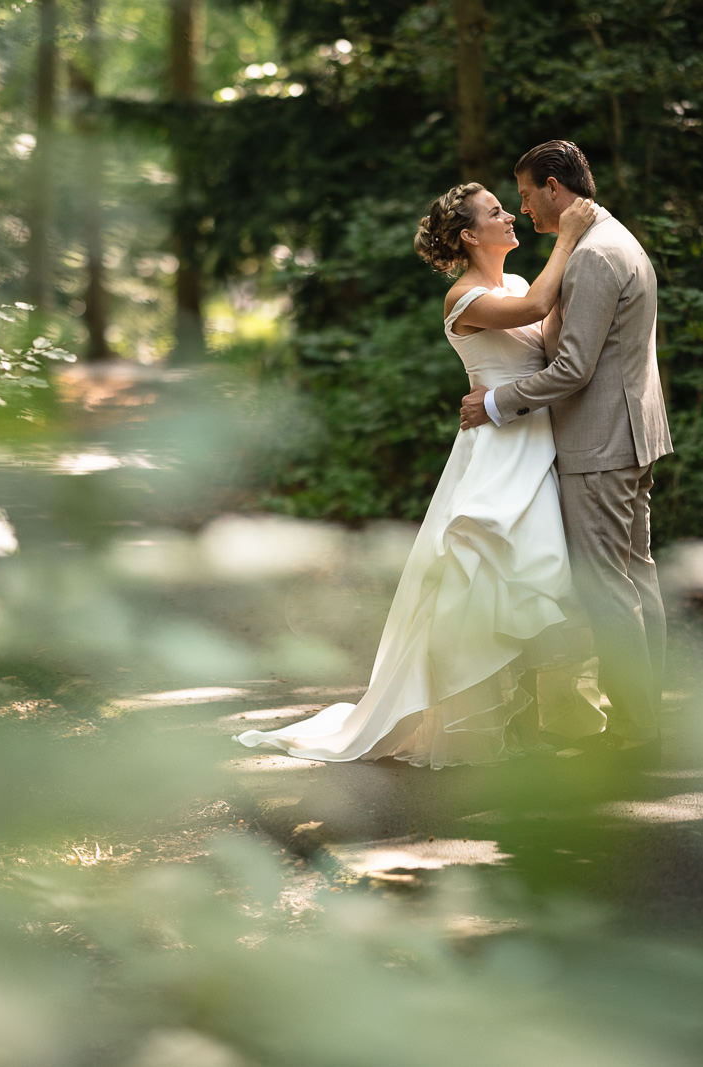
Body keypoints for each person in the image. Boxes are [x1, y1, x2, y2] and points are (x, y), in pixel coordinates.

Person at [234, 179, 607, 768]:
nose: (510, 216)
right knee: (491, 582)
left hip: (542, 448)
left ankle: (546, 720)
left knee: (543, 583)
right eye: (495, 212)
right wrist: (569, 234)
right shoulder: (464, 299)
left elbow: (551, 336)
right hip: (499, 458)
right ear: (469, 235)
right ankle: (490, 723)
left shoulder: (513, 281)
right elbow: (537, 307)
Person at [461, 140, 672, 763]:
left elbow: (575, 368)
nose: (522, 209)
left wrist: (497, 403)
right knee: (637, 576)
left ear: (554, 187)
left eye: (525, 195)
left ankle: (637, 731)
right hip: (630, 433)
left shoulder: (593, 257)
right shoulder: (614, 239)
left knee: (609, 586)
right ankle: (647, 716)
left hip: (601, 442)